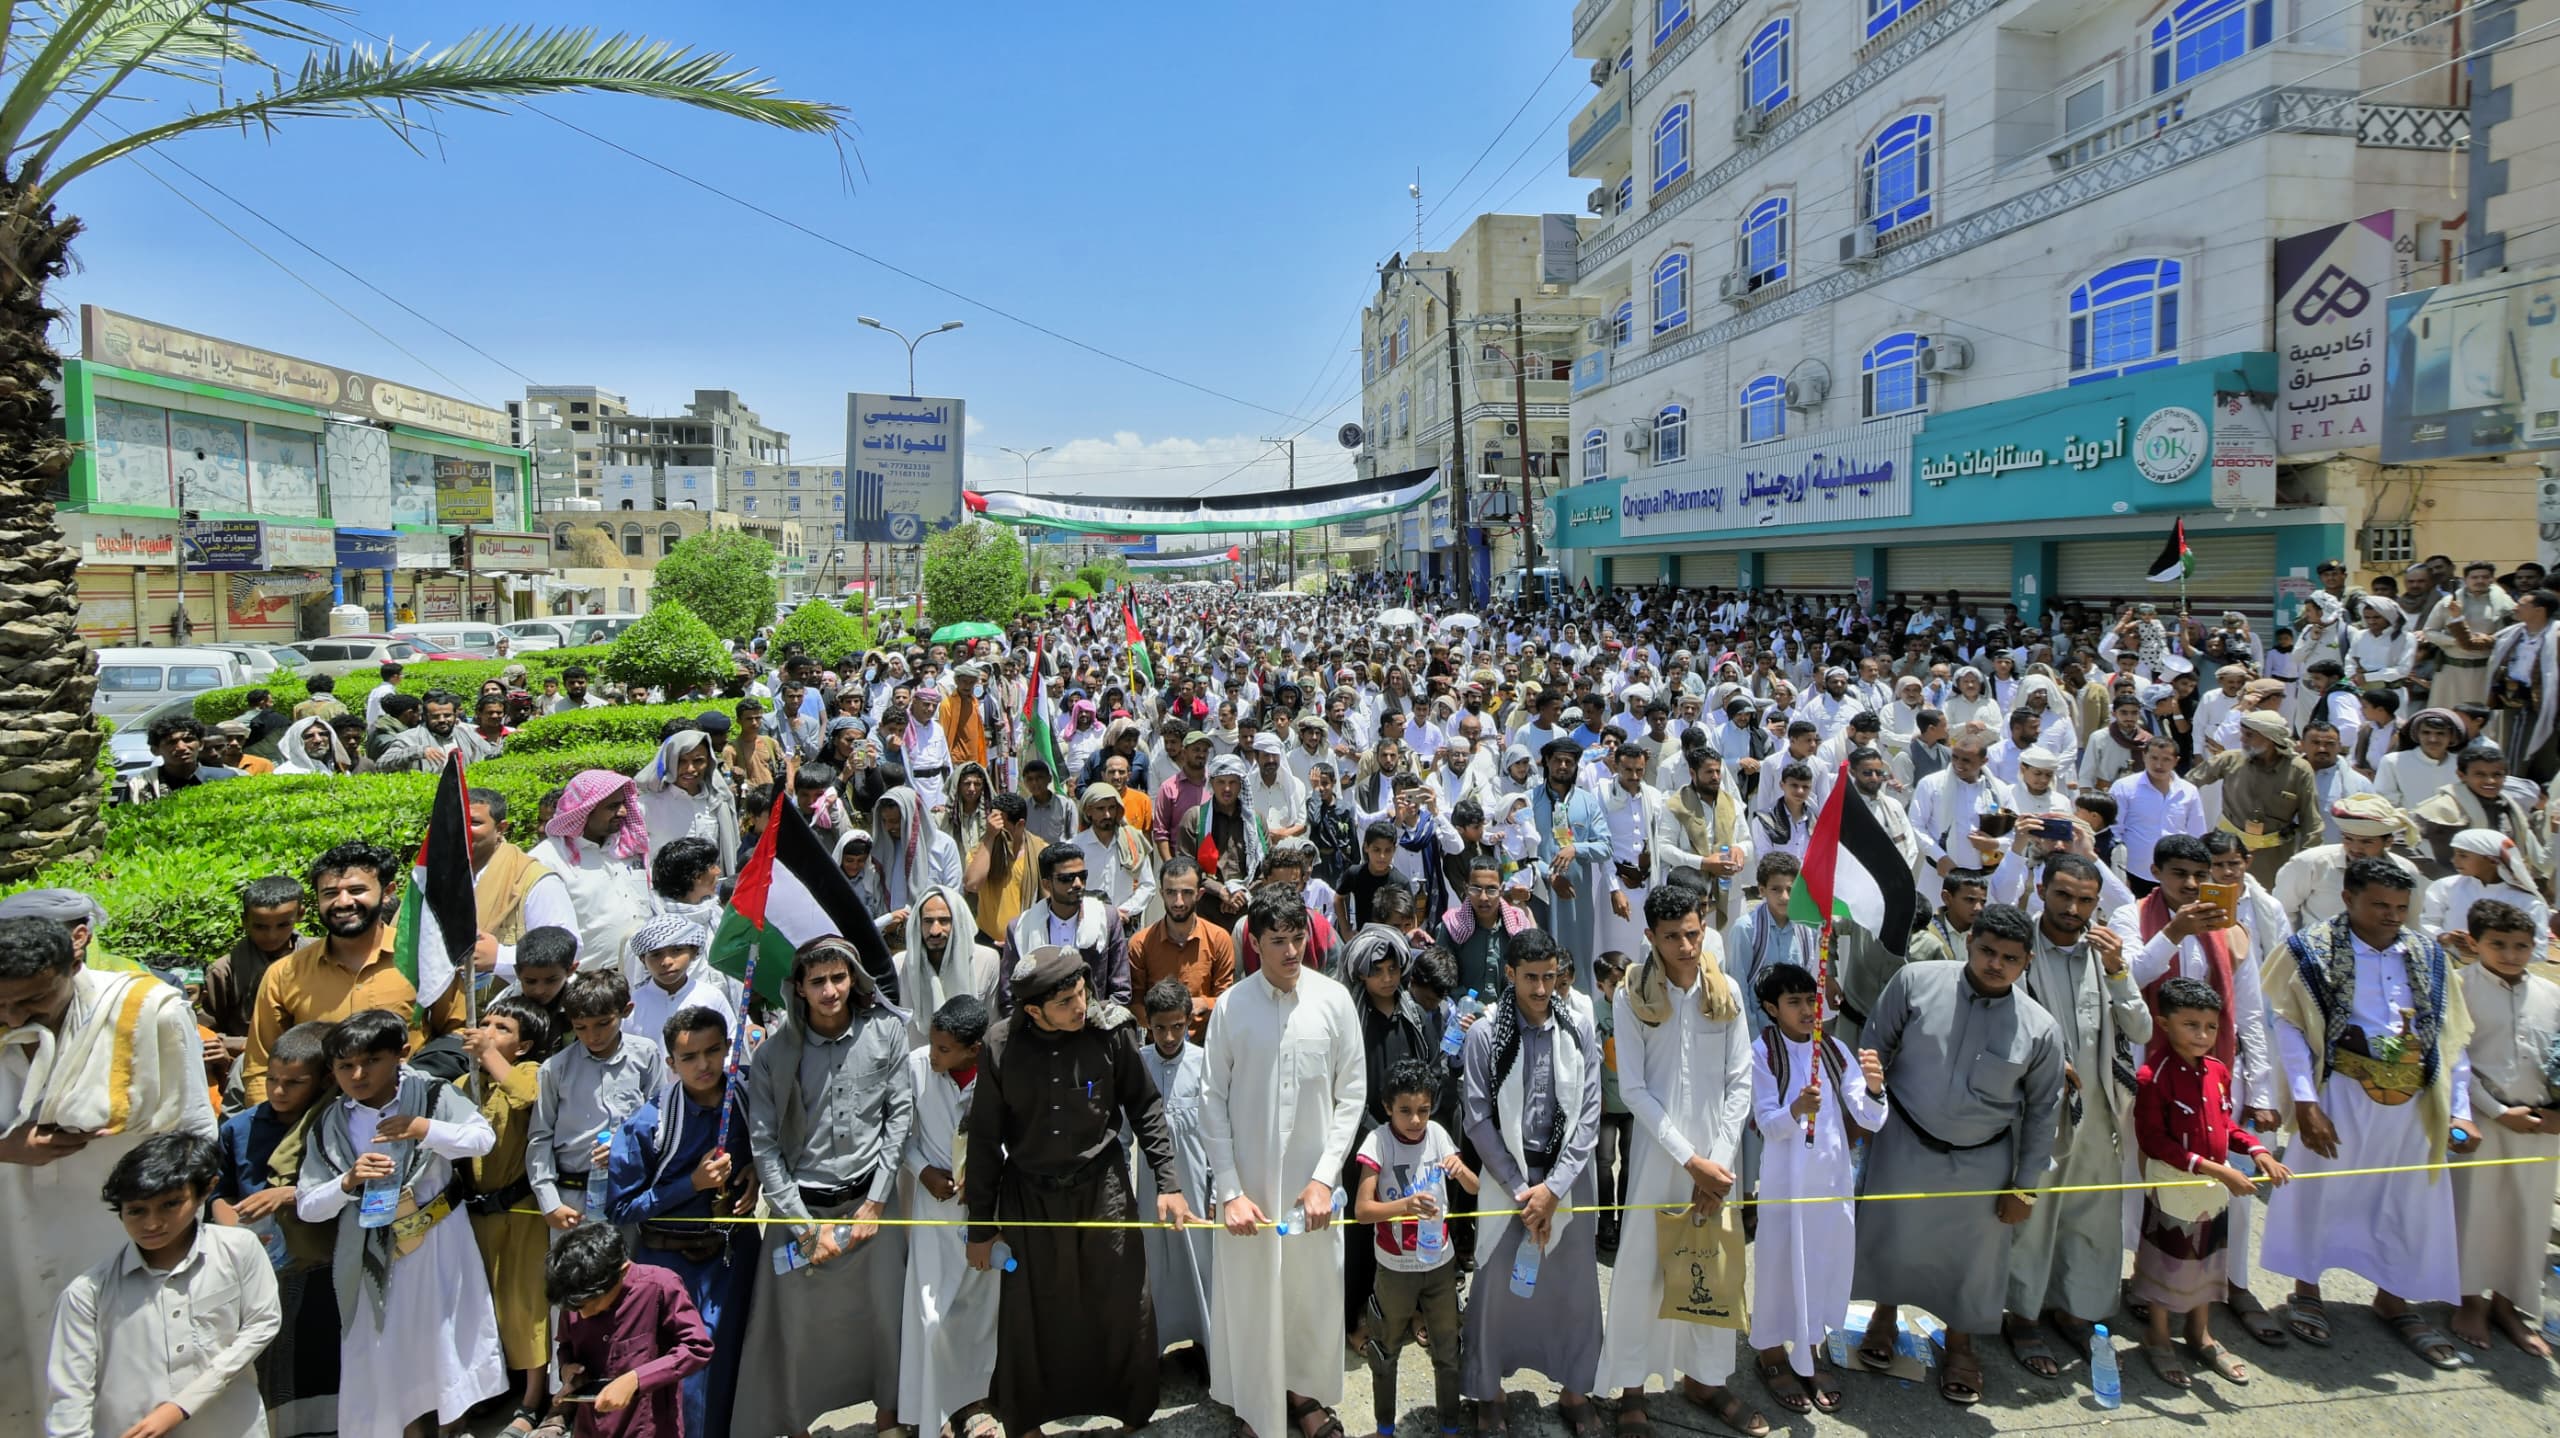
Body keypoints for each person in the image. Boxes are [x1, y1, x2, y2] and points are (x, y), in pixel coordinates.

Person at [965, 946, 1195, 1436]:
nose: (1080, 1007)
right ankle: (1025, 1421)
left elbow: (1146, 1107)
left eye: (1081, 993)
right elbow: (984, 1140)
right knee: (1031, 1312)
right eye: (1066, 1002)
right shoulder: (1000, 1045)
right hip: (1029, 1198)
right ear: (1032, 1011)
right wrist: (980, 1229)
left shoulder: (1110, 1032)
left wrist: (1169, 1183)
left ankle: (1131, 1414)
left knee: (1121, 1303)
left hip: (1102, 1192)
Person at [2258, 858, 2473, 1363]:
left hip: (2414, 1102)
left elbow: (2450, 1039)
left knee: (2404, 1196)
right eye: (2379, 904)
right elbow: (2288, 1025)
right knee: (2321, 1191)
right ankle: (2306, 1291)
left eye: (2401, 907)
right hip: (2341, 1092)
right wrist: (2307, 1104)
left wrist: (2459, 1112)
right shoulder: (2309, 950)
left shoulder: (2428, 956)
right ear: (2348, 898)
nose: (2392, 915)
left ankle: (2393, 1297)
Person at [1852, 904, 2065, 1407]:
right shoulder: (1914, 981)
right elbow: (1873, 1046)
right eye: (1987, 950)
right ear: (1969, 943)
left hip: (1983, 1160)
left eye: (2010, 958)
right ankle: (1884, 1316)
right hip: (1903, 1139)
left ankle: (1962, 1345)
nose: (1996, 964)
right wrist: (1865, 1111)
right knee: (1893, 1233)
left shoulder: (2039, 1029)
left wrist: (2025, 1186)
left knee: (1974, 1260)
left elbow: (2042, 1113)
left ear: (2026, 962)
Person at [1595, 886, 1764, 1437]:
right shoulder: (1632, 994)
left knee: (1711, 1268)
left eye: (1693, 932)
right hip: (1658, 1158)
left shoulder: (1728, 990)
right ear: (1650, 938)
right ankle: (1632, 1389)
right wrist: (1689, 1160)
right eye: (1673, 937)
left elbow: (1741, 1081)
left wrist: (1715, 1165)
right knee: (1643, 1269)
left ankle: (1706, 1380)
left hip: (1719, 1160)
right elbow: (1637, 1090)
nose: (1687, 946)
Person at [294, 1009, 506, 1438]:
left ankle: (455, 1428)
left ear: (400, 1056)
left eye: (371, 1061)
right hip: (371, 1251)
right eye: (345, 1066)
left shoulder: (431, 1094)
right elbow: (308, 1205)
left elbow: (481, 1138)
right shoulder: (330, 1124)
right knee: (384, 1350)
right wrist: (348, 1181)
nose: (358, 1074)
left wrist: (422, 1128)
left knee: (443, 1340)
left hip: (440, 1241)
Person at [1202, 885, 1366, 1438]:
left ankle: (1305, 1398)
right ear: (1255, 943)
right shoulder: (1232, 1005)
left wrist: (1323, 1179)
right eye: (1279, 941)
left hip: (1313, 1193)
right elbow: (1211, 1102)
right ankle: (1256, 1405)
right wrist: (1229, 1190)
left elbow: (1352, 1096)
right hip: (1248, 1190)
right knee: (1253, 1300)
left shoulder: (1333, 1000)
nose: (1292, 952)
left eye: (1299, 938)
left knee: (1311, 1296)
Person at [735, 938, 913, 1438]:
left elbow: (899, 1119)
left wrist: (876, 1202)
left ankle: (890, 1418)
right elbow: (765, 1147)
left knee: (887, 1320)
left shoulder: (886, 1033)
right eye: (818, 982)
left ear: (854, 978)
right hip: (802, 1215)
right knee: (793, 1332)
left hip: (870, 1208)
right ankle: (795, 1426)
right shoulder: (773, 1055)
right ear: (800, 989)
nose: (831, 991)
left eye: (839, 978)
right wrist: (804, 1229)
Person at [2001, 852, 2150, 1384]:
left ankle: (2074, 1311)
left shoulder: (2103, 952)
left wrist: (2118, 970)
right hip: (2037, 1112)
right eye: (2063, 895)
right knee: (2033, 1218)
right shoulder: (2019, 949)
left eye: (2086, 900)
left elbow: (2141, 1028)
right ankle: (2021, 1319)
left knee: (2092, 1219)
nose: (2073, 908)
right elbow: (2002, 1019)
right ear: (2042, 890)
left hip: (2098, 1112)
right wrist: (2045, 1062)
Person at [1458, 926, 1606, 1437]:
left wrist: (1554, 1188)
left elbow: (1590, 1116)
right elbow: (1476, 1118)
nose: (1541, 990)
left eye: (1550, 978)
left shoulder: (1578, 1027)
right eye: (1530, 979)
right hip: (1510, 1185)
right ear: (1510, 976)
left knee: (1576, 1289)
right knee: (1495, 1287)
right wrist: (1526, 1191)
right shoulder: (1484, 1034)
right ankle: (1488, 1393)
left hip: (1566, 1181)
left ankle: (1575, 1389)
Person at [45, 1132, 280, 1438]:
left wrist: (179, 1407)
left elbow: (262, 1324)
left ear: (206, 1190)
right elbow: (69, 1397)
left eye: (170, 1204)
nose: (152, 1223)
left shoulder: (238, 1250)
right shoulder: (87, 1293)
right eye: (137, 1211)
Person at [604, 1003, 759, 1438]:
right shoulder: (649, 1125)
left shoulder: (747, 1097)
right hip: (671, 1267)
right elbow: (620, 1208)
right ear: (671, 1063)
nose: (704, 1065)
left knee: (740, 1360)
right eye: (689, 1058)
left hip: (734, 1256)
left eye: (713, 1051)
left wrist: (756, 1173)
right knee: (687, 1376)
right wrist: (690, 1185)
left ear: (729, 1048)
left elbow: (776, 1147)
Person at [2130, 977, 2290, 1390]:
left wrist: (2259, 1151)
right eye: (2191, 1025)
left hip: (2213, 1187)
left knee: (2208, 1261)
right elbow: (2154, 1141)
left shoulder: (2218, 1071)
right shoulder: (2153, 1076)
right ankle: (2159, 1337)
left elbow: (2226, 1125)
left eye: (2211, 1027)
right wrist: (2217, 1170)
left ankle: (2200, 1333)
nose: (2203, 1036)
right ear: (2163, 1024)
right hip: (2175, 1187)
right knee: (2170, 1261)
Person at [1747, 961, 1886, 1416]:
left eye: (1812, 1000)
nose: (1808, 1010)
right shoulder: (1762, 1052)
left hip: (1830, 1180)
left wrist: (1875, 1089)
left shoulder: (1836, 1050)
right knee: (1778, 1264)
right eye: (1795, 1002)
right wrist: (1797, 1108)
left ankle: (1809, 1351)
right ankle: (1770, 1353)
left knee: (1823, 1264)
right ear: (1771, 1008)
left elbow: (1868, 1118)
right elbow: (1766, 1122)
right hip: (1786, 1181)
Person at [239, 843, 469, 1103]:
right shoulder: (284, 974)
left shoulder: (424, 959)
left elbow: (458, 1032)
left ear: (387, 893)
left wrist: (415, 1085)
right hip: (315, 1122)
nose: (343, 901)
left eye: (357, 890)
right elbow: (260, 1066)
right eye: (330, 893)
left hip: (408, 1114)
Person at [2445, 898, 2560, 1356]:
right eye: (2499, 945)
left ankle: (2509, 1304)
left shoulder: (2552, 994)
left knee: (2528, 1216)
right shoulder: (2460, 987)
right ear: (2474, 943)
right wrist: (2494, 1109)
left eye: (2521, 946)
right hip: (2485, 1119)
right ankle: (2470, 1299)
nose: (2511, 955)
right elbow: (2454, 1058)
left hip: (2542, 1124)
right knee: (2477, 1212)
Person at [214, 1018, 339, 1437]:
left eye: (294, 1083)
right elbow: (221, 1191)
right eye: (272, 1080)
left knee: (321, 1358)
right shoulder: (240, 1128)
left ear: (323, 1081)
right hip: (257, 1261)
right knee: (269, 1361)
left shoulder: (334, 1123)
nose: (278, 1092)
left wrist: (288, 1197)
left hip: (322, 1260)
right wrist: (238, 1234)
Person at [1351, 1056, 1477, 1438]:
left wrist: (1462, 1172)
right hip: (1395, 1268)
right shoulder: (1379, 1142)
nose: (1416, 1120)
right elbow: (1362, 1210)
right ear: (1388, 1107)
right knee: (1385, 1350)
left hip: (1439, 1263)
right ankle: (1385, 1428)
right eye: (1405, 1110)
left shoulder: (1438, 1135)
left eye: (1423, 1110)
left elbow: (1474, 1188)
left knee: (1447, 1349)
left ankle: (1450, 1427)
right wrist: (1404, 1206)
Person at [898, 995, 1000, 1438]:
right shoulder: (917, 1067)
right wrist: (922, 1172)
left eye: (945, 1049)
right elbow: (896, 1133)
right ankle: (931, 1410)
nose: (934, 1055)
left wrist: (983, 1178)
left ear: (973, 1050)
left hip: (983, 1209)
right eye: (934, 1046)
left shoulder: (999, 1071)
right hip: (932, 1209)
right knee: (930, 1313)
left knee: (979, 1312)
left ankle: (974, 1403)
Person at [546, 1221, 714, 1438]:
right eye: (576, 1308)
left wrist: (636, 1379)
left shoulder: (660, 1286)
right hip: (590, 1427)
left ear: (622, 1272)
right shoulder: (576, 1295)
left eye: (593, 1303)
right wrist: (568, 1371)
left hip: (648, 1428)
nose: (584, 1315)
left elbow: (697, 1348)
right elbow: (566, 1345)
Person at [529, 972, 662, 1234]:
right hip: (572, 1199)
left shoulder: (646, 1054)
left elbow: (658, 1117)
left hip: (629, 1193)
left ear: (626, 1011)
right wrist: (549, 1202)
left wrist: (624, 1143)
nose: (593, 1036)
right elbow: (540, 1136)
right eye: (581, 1027)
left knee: (628, 1272)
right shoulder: (555, 1069)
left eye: (603, 1023)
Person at [1136, 978, 1216, 1361]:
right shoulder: (1137, 1065)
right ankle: (1155, 1349)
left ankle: (1206, 1348)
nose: (1168, 1036)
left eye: (1177, 1027)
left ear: (1190, 1022)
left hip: (1197, 1189)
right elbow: (1121, 1132)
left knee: (1201, 1265)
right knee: (1156, 1265)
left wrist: (1216, 1193)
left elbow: (1219, 1134)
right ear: (1147, 1025)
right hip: (1150, 1190)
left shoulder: (1206, 1065)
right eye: (1159, 1028)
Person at [530, 771, 653, 977]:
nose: (623, 812)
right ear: (584, 811)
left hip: (646, 972)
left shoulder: (628, 847)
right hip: (590, 981)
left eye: (623, 803)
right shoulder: (549, 859)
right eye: (612, 806)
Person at [2185, 712, 2321, 887]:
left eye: (2249, 735)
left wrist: (2309, 865)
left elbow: (2311, 821)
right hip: (2226, 854)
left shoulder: (2299, 770)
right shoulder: (2230, 760)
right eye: (2242, 733)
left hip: (2273, 857)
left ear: (2270, 738)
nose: (2242, 739)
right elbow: (2186, 785)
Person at [1530, 739, 1620, 1005]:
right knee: (1540, 958)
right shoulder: (1530, 800)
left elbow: (1605, 847)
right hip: (1541, 896)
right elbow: (1518, 854)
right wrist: (1549, 875)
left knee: (1576, 960)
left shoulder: (1587, 802)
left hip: (1576, 901)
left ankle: (1579, 1021)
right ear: (1547, 761)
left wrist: (1576, 849)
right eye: (1557, 760)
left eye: (1569, 761)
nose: (1562, 766)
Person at [199, 876, 306, 1098]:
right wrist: (235, 1046)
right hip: (249, 1069)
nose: (272, 935)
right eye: (260, 927)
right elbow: (205, 1032)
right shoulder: (225, 970)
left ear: (300, 915)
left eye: (283, 925)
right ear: (244, 921)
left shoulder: (320, 958)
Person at [1130, 857, 1236, 1042]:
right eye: (1171, 892)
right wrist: (1164, 1024)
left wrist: (1206, 1003)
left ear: (1199, 894)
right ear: (1162, 893)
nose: (1178, 902)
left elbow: (1226, 999)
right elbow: (1135, 1003)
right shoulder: (1140, 943)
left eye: (1187, 893)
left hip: (1206, 1043)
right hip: (1156, 1047)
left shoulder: (1219, 939)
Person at [898, 887, 1001, 1052]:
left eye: (944, 921)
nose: (935, 931)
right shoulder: (900, 964)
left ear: (958, 922)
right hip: (916, 1066)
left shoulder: (987, 960)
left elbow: (992, 1024)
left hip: (969, 1065)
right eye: (928, 921)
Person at [633, 729, 741, 870]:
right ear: (670, 761)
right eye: (681, 761)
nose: (690, 768)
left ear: (709, 763)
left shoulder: (719, 804)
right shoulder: (645, 806)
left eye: (698, 761)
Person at [118, 712, 245, 804]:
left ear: (200, 745)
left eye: (188, 740)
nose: (182, 747)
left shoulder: (225, 778)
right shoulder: (143, 784)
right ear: (155, 750)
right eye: (171, 742)